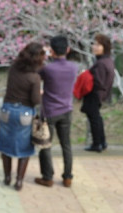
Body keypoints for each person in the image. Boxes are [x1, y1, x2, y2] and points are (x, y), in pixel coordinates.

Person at [0, 42, 45, 191]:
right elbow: (36, 100)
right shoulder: (34, 77)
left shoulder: (13, 69)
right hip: (24, 113)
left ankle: (7, 177)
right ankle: (19, 181)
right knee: (24, 148)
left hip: (7, 110)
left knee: (6, 145)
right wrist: (41, 94)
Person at [35, 35, 78, 188]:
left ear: (51, 51)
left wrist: (44, 55)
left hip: (49, 111)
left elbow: (35, 74)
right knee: (66, 145)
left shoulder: (47, 69)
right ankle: (67, 177)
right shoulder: (74, 67)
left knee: (46, 144)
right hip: (67, 110)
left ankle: (48, 177)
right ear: (67, 50)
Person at [81, 34, 115, 153]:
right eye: (94, 44)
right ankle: (101, 142)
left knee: (94, 118)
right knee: (96, 118)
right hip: (100, 94)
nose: (94, 47)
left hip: (95, 94)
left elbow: (98, 81)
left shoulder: (101, 63)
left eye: (98, 45)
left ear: (104, 47)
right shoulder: (107, 60)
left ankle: (97, 143)